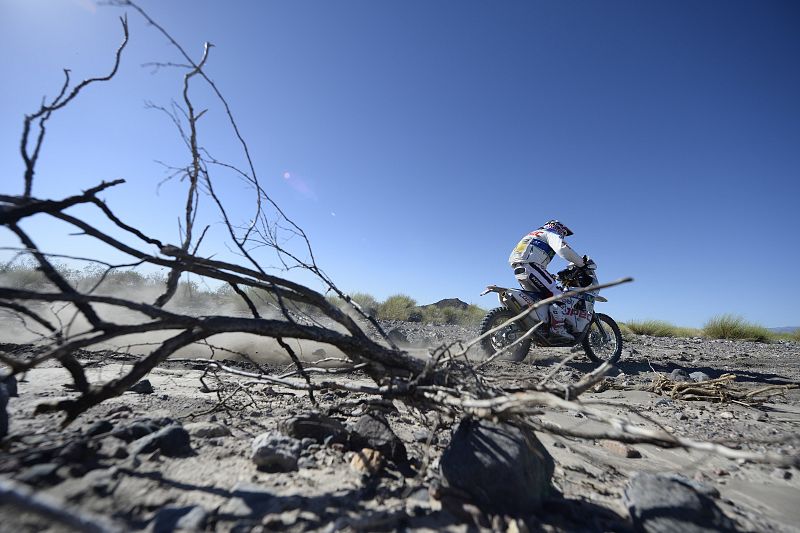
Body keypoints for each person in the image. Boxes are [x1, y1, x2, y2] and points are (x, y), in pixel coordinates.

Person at [508, 220, 586, 341]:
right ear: (557, 227)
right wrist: (581, 263)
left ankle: (539, 329)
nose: (564, 235)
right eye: (564, 232)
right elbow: (563, 249)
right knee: (558, 296)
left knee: (539, 300)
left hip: (519, 268)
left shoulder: (533, 234)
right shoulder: (550, 233)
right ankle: (557, 329)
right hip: (531, 266)